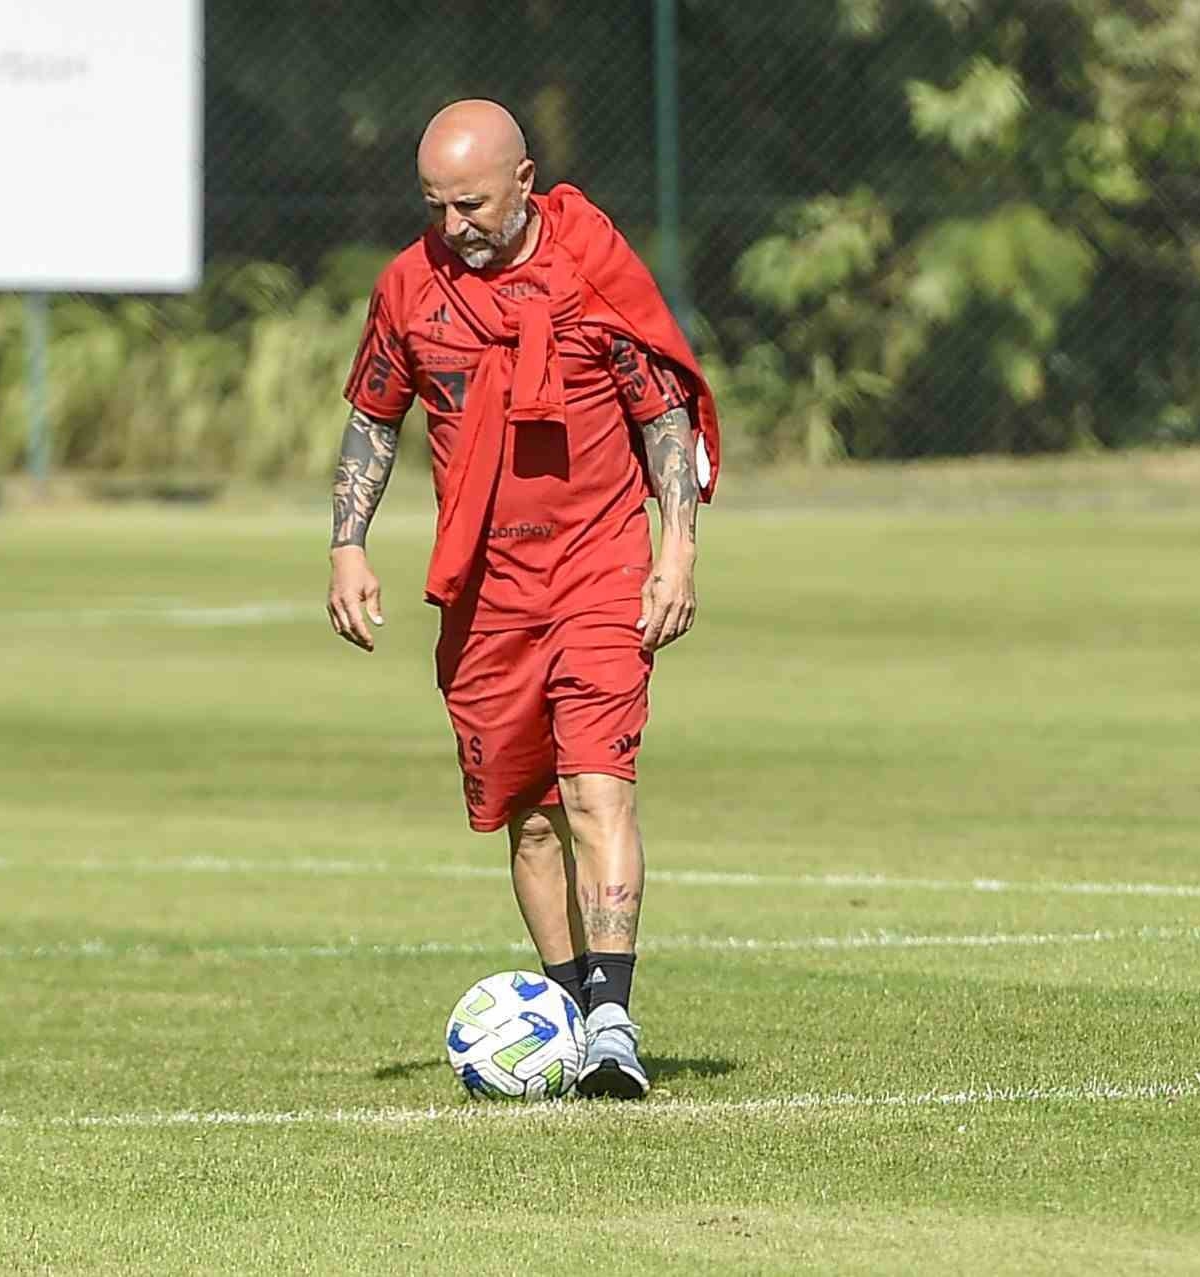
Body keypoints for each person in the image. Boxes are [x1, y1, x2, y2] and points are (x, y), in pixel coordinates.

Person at [325, 99, 720, 1100]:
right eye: (435, 204)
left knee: (598, 786)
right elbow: (374, 416)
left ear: (525, 179)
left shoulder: (590, 267)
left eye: (470, 202)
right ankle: (572, 1010)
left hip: (595, 567)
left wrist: (676, 548)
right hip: (483, 589)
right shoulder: (409, 289)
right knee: (529, 814)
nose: (452, 223)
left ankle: (616, 1023)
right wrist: (347, 543)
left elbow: (662, 413)